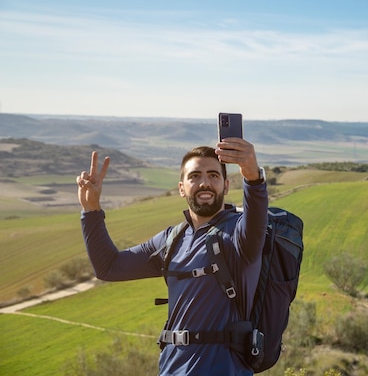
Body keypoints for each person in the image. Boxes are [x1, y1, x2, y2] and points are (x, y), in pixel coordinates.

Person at [76, 138, 268, 376]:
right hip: (171, 369)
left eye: (213, 176)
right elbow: (109, 268)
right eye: (195, 176)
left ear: (226, 186)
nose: (204, 183)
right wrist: (91, 210)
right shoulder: (171, 239)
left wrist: (253, 178)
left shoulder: (240, 235)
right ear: (181, 188)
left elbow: (256, 219)